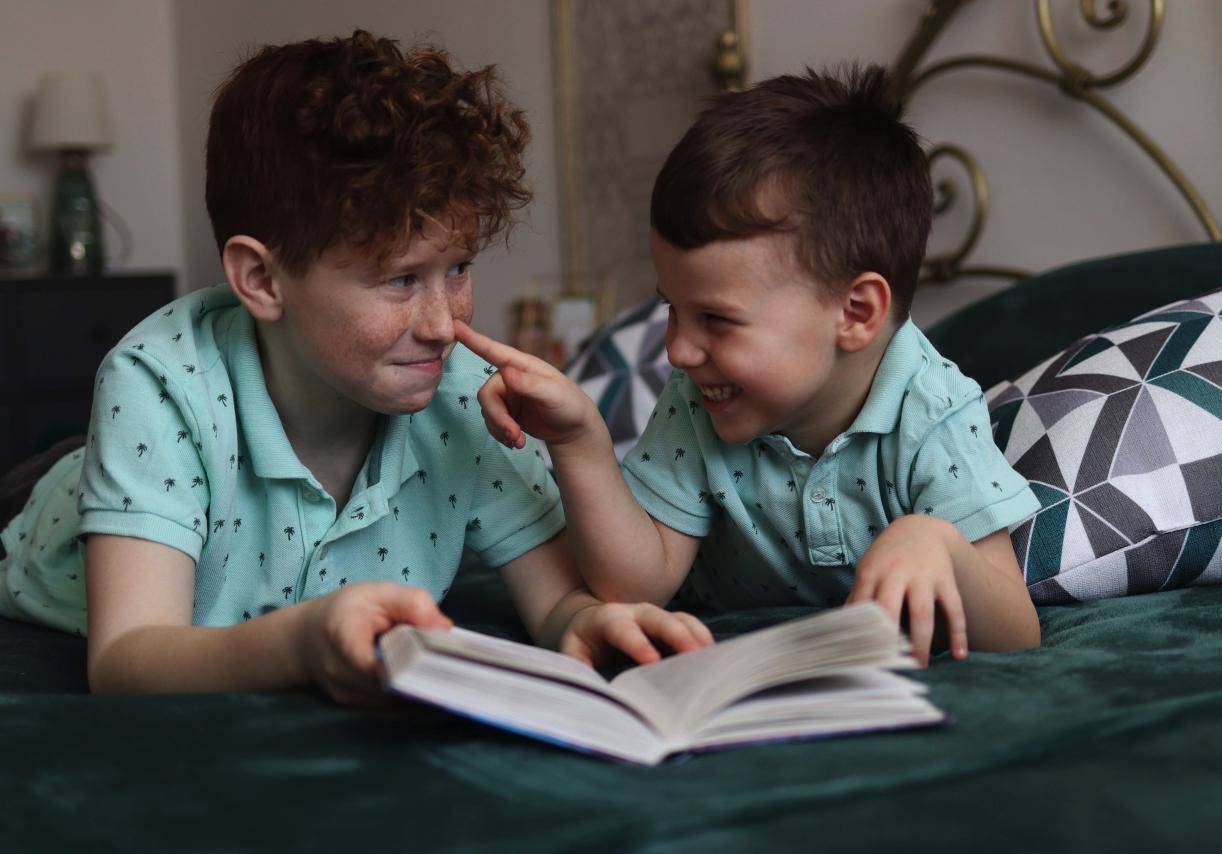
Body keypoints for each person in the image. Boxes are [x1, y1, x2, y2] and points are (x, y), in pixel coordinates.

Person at [0, 30, 711, 705]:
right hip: (60, 501)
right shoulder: (156, 383)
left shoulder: (461, 393)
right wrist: (300, 643)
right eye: (400, 279)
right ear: (262, 280)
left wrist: (582, 621)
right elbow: (126, 657)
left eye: (458, 268)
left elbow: (555, 599)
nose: (443, 327)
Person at [455, 64, 1043, 666]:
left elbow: (1018, 633)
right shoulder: (699, 399)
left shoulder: (933, 413)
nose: (677, 351)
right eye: (671, 309)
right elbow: (634, 586)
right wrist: (580, 441)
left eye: (716, 319)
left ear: (856, 312)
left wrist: (938, 543)